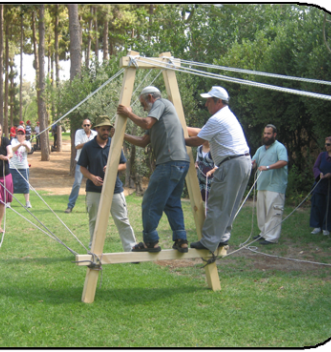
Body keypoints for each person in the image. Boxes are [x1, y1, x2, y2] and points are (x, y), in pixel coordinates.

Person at [117, 86, 191, 253]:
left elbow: (147, 122)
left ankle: (151, 242)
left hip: (169, 162)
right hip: (180, 162)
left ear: (150, 97)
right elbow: (144, 141)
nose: (143, 108)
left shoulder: (161, 103)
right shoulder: (158, 115)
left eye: (143, 104)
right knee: (172, 203)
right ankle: (181, 240)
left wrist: (128, 113)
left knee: (150, 203)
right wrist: (120, 135)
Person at [185, 86, 251, 263]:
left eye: (209, 100)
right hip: (243, 162)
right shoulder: (226, 116)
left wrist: (177, 138)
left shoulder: (218, 118)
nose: (206, 104)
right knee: (230, 203)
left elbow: (198, 140)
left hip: (231, 164)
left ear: (219, 101)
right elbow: (202, 133)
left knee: (216, 202)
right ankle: (222, 237)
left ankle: (208, 242)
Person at [78, 115, 137, 251]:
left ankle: (131, 248)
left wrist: (113, 167)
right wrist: (92, 177)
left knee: (122, 219)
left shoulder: (115, 144)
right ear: (96, 129)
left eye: (108, 129)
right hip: (94, 189)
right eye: (103, 129)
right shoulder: (88, 147)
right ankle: (94, 250)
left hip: (114, 189)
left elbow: (123, 164)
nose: (106, 132)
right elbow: (82, 167)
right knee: (94, 221)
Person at [251, 124, 288, 245]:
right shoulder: (260, 149)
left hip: (275, 186)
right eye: (265, 133)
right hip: (262, 185)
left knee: (273, 211)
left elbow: (283, 161)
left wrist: (268, 167)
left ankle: (271, 237)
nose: (266, 136)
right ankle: (263, 233)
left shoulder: (279, 147)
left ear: (274, 135)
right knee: (261, 212)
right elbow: (254, 162)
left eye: (269, 133)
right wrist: (250, 164)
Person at [310, 136, 331, 235]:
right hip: (320, 184)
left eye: (328, 144)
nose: (326, 146)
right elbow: (315, 167)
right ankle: (317, 226)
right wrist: (319, 174)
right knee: (317, 204)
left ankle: (327, 227)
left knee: (330, 205)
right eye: (325, 144)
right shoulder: (321, 155)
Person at [64, 119, 97, 213]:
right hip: (81, 162)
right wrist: (90, 143)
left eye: (88, 125)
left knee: (92, 184)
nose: (86, 127)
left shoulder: (95, 134)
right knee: (77, 183)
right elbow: (77, 146)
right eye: (85, 125)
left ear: (91, 125)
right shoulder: (79, 132)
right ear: (82, 126)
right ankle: (70, 206)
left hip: (92, 163)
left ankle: (90, 206)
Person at [9, 126, 32, 208]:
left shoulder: (27, 142)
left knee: (25, 185)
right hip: (13, 167)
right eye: (19, 133)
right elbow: (13, 149)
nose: (20, 135)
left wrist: (25, 145)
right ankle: (8, 202)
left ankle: (27, 202)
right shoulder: (13, 141)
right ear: (16, 134)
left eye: (22, 134)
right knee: (11, 185)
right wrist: (20, 144)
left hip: (24, 167)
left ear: (24, 135)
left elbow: (29, 150)